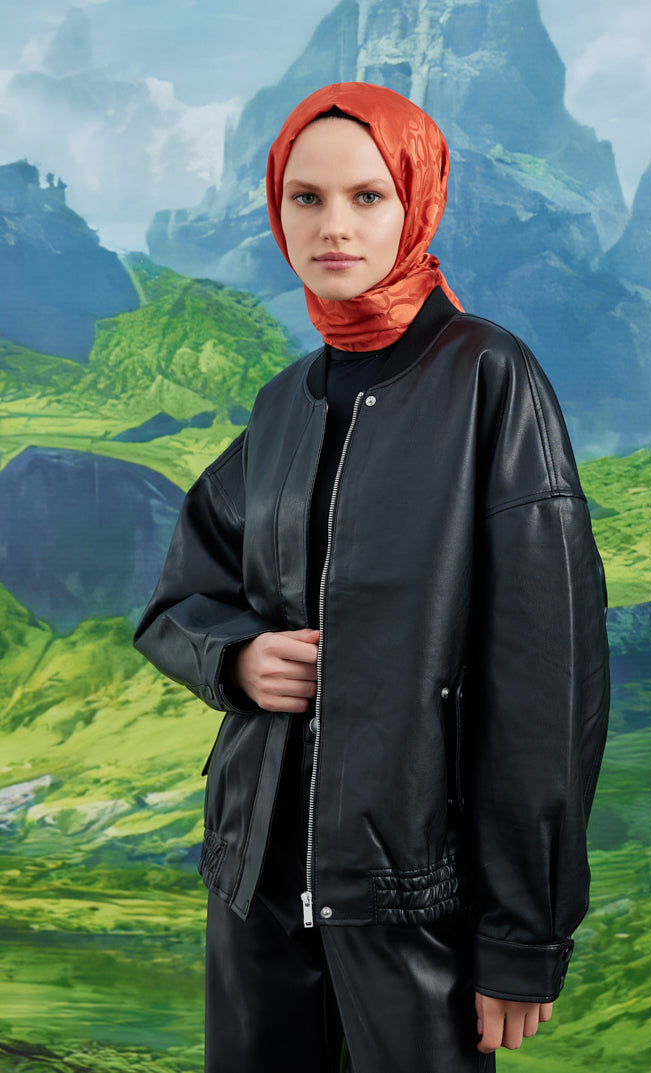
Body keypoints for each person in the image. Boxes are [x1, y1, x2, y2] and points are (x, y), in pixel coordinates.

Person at [134, 82, 610, 1073]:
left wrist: (524, 935)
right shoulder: (283, 402)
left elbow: (546, 674)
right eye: (305, 199)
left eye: (366, 196)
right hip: (255, 886)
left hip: (412, 894)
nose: (333, 226)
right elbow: (179, 598)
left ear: (416, 202)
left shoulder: (488, 376)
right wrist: (236, 659)